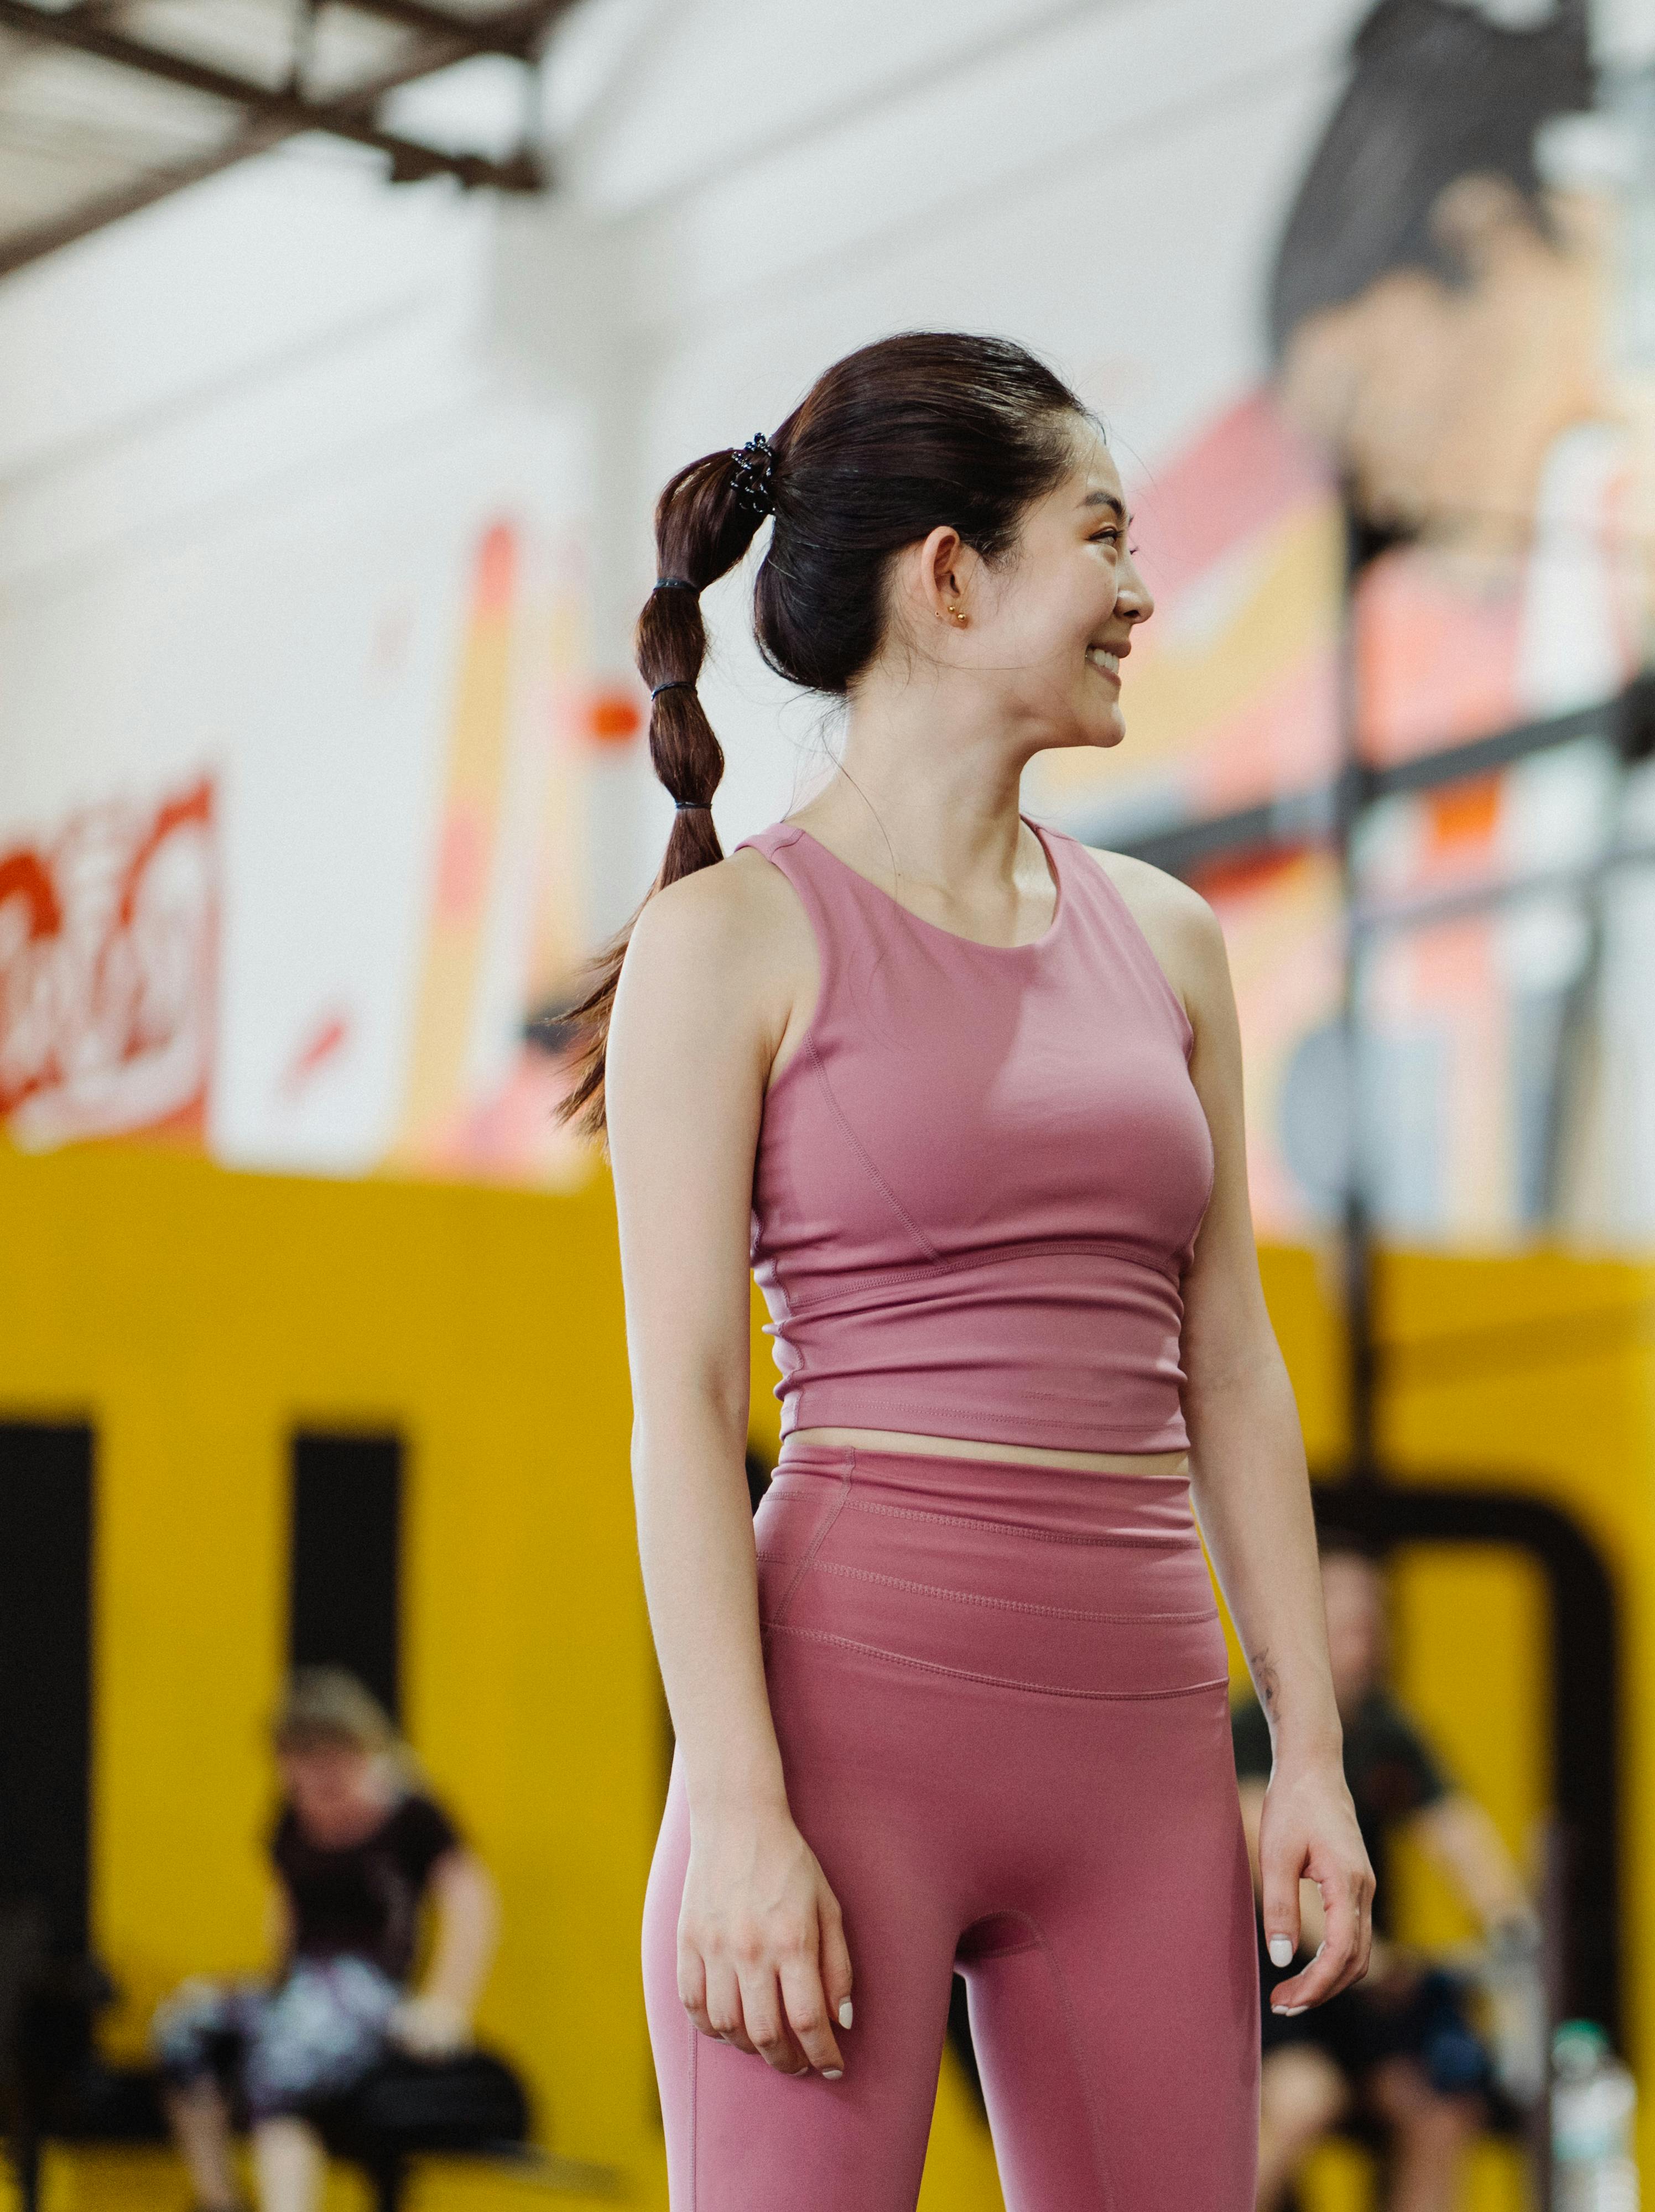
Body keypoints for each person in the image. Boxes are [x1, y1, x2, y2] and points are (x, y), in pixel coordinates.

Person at [571, 332, 1375, 2211]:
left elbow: (1232, 1364)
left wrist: (1312, 1753)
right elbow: (685, 1414)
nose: (1144, 592)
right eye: (1103, 537)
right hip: (841, 1747)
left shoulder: (1170, 944)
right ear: (952, 577)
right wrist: (744, 1812)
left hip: (1147, 1751)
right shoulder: (731, 942)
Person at [1236, 1545, 1536, 2212]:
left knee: (1438, 2104)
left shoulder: (1385, 1732)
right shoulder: (1254, 1728)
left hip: (1353, 1969)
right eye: (1342, 1627)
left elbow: (1457, 1833)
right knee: (1300, 2102)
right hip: (1279, 1970)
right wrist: (1347, 1943)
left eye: (1369, 1628)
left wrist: (1512, 1928)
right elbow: (1268, 1853)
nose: (1359, 1646)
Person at [154, 1668, 499, 2212]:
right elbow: (286, 1909)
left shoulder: (409, 1811)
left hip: (368, 1986)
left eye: (332, 1761)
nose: (318, 1780)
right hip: (301, 1983)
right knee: (183, 2028)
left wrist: (446, 2004)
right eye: (302, 1764)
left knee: (285, 2060)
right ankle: (218, 2198)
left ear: (363, 1748)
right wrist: (273, 1987)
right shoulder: (290, 1815)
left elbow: (471, 1903)